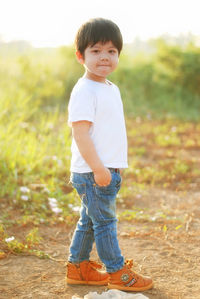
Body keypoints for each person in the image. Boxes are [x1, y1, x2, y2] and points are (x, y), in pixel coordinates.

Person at [66, 18, 153, 292]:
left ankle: (77, 266)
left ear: (118, 55)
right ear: (80, 55)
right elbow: (81, 134)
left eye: (111, 51)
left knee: (90, 221)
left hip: (105, 171)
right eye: (96, 51)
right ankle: (117, 272)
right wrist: (100, 169)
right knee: (105, 222)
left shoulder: (110, 88)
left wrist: (115, 167)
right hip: (93, 172)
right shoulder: (84, 90)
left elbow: (110, 133)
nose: (104, 57)